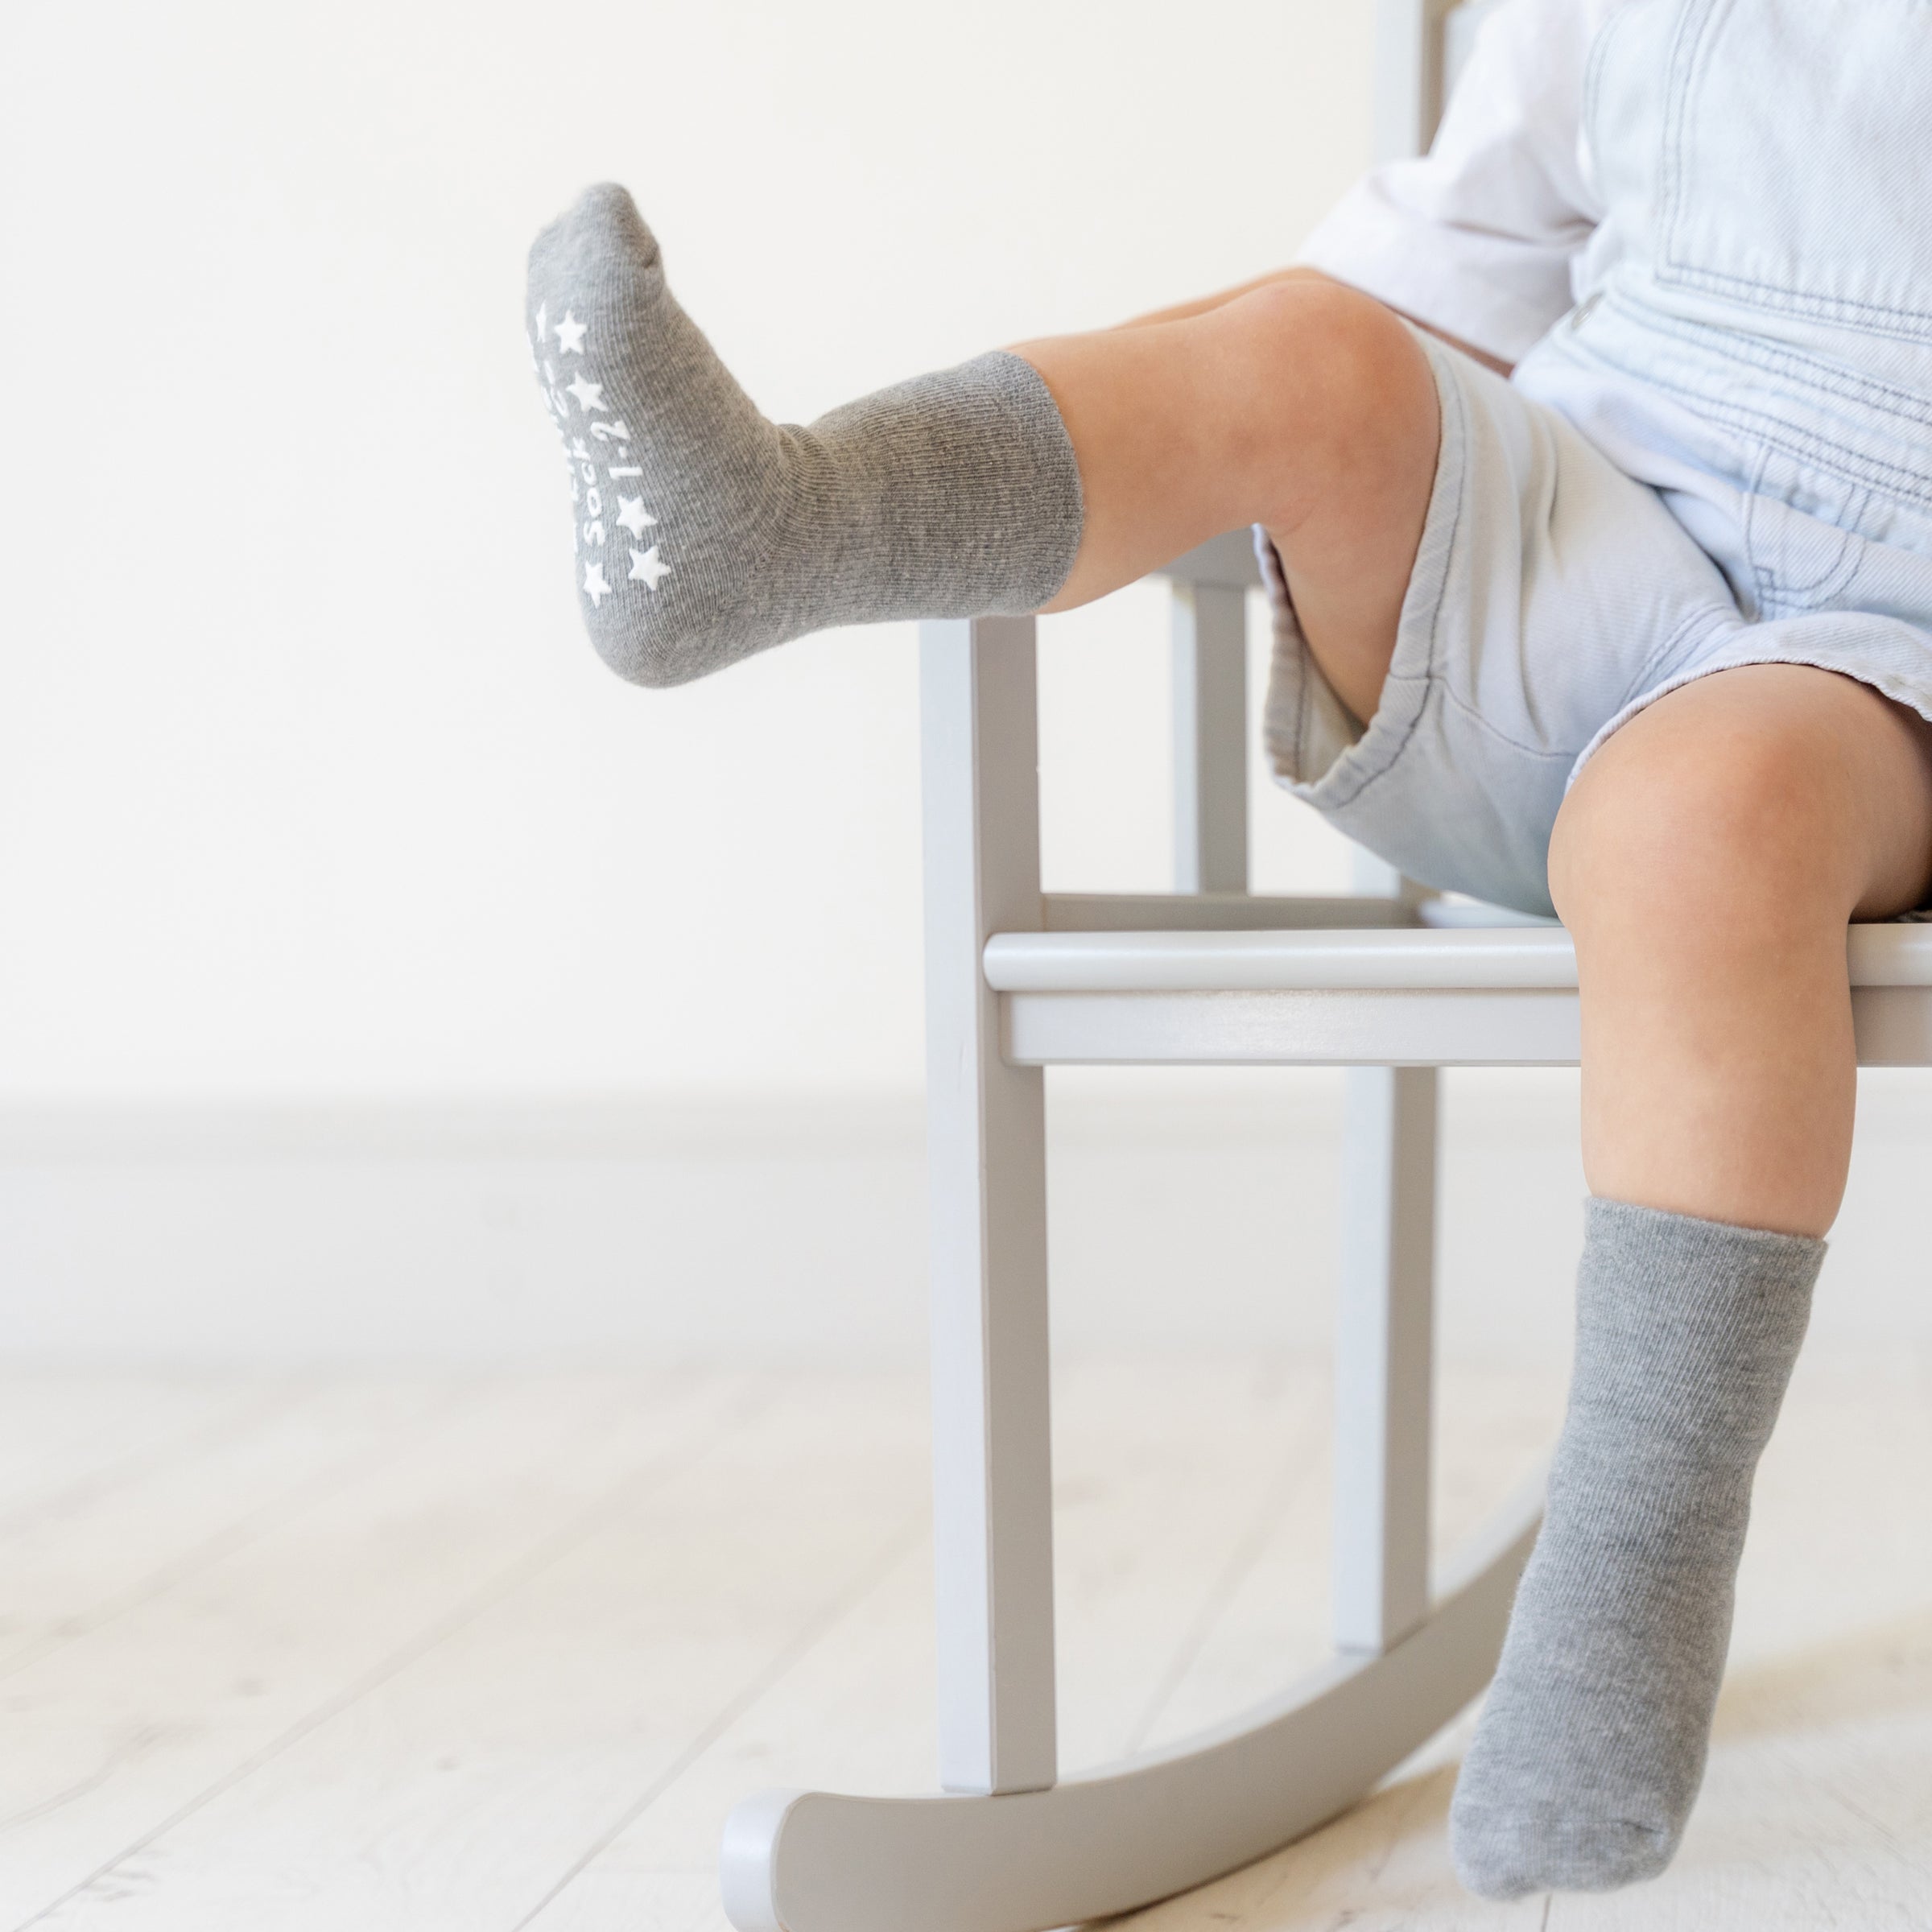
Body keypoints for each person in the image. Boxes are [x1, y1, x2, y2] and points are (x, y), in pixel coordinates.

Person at [522, 0, 1932, 1899]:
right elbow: (1432, 265)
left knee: (1704, 811)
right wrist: (1189, 398)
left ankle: (1631, 1574)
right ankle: (776, 518)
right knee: (1313, 351)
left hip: (1868, 668)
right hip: (1565, 557)